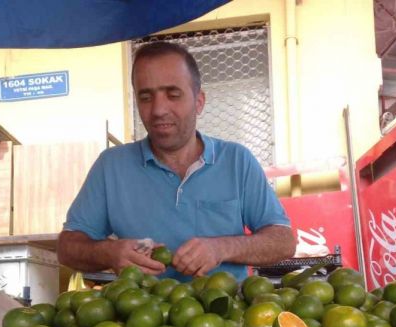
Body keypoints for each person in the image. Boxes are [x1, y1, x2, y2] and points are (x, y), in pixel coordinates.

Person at [57, 41, 295, 281]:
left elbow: (283, 241)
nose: (159, 109)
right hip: (142, 315)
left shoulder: (236, 160)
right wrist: (109, 253)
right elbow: (67, 248)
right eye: (146, 97)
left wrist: (221, 248)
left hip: (225, 313)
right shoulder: (111, 166)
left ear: (199, 101)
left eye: (173, 95)